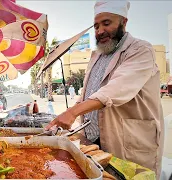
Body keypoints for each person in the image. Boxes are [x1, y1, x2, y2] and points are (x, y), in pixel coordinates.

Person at [45, 1, 164, 178]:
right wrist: (68, 121)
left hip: (128, 140)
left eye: (106, 23)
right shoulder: (96, 56)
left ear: (123, 22)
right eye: (96, 26)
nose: (100, 31)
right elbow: (89, 93)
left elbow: (115, 90)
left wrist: (73, 112)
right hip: (94, 142)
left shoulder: (140, 49)